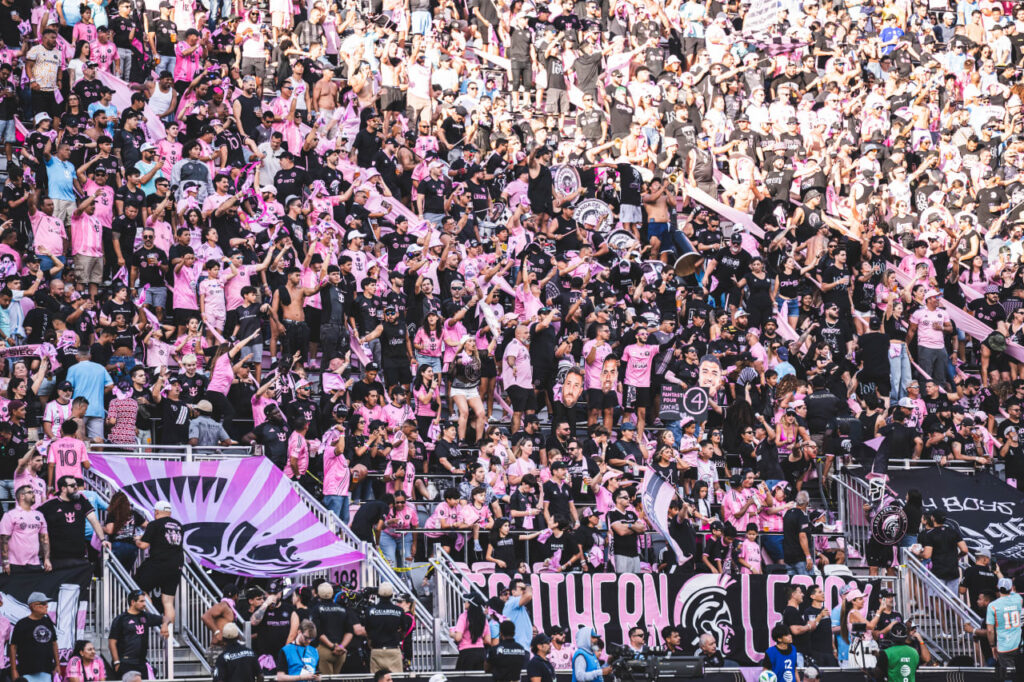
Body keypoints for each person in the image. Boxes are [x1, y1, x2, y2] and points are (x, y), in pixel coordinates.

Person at [38, 475, 110, 568]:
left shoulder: (81, 499)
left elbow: (94, 520)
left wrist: (102, 540)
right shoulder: (50, 504)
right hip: (58, 558)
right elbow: (34, 518)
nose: (76, 487)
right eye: (72, 486)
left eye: (76, 485)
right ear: (63, 489)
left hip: (79, 556)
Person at [134, 500, 184, 627]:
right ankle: (169, 634)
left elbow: (143, 546)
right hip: (176, 565)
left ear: (156, 512)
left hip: (158, 563)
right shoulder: (179, 525)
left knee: (139, 588)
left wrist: (137, 540)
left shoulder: (154, 524)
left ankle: (154, 620)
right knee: (168, 602)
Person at [108, 589, 169, 678]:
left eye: (144, 601)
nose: (144, 604)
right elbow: (112, 642)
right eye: (141, 601)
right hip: (126, 662)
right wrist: (116, 662)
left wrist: (165, 624)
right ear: (133, 602)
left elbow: (166, 618)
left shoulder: (146, 616)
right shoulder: (120, 619)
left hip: (141, 662)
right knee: (136, 679)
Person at [364, 582, 412, 674]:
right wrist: (398, 637)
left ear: (378, 595)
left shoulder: (370, 610)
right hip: (393, 650)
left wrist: (371, 643)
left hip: (376, 650)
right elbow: (403, 632)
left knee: (377, 678)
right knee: (396, 678)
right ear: (391, 595)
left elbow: (368, 632)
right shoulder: (399, 611)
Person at [10, 593, 59, 682]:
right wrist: (14, 670)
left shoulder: (48, 622)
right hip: (26, 671)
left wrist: (57, 665)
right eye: (43, 603)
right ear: (33, 606)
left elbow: (54, 643)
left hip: (47, 670)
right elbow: (13, 647)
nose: (47, 606)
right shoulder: (22, 624)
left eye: (46, 603)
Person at [0, 485, 49, 573]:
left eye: (33, 492)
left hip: (35, 563)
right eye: (30, 492)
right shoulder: (10, 515)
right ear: (22, 496)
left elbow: (44, 539)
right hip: (14, 564)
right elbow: (3, 540)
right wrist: (5, 561)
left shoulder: (39, 515)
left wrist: (47, 559)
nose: (34, 494)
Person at [986, 577, 1024, 676]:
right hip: (1019, 644)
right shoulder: (1018, 599)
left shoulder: (993, 606)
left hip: (1004, 646)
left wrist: (992, 646)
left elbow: (990, 630)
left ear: (997, 587)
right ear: (1011, 588)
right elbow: (1012, 592)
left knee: (1008, 675)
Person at [502, 579, 533, 652]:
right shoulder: (512, 601)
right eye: (522, 589)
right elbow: (529, 595)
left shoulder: (516, 604)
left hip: (521, 647)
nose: (524, 591)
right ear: (513, 592)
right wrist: (527, 586)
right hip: (518, 648)